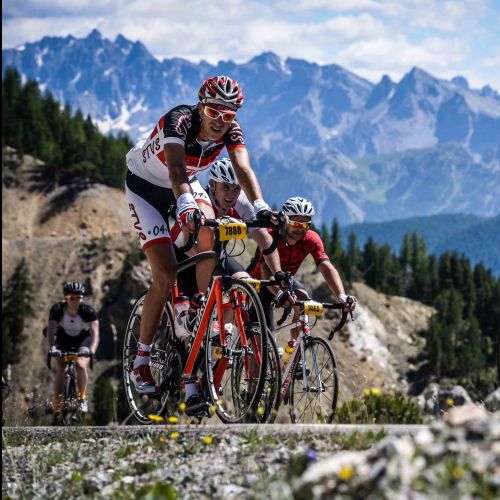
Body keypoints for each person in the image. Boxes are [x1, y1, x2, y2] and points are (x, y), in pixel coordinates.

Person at [124, 76, 282, 410]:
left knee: (212, 228)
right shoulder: (179, 119)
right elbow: (176, 169)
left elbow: (242, 167)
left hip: (186, 182)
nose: (219, 121)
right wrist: (184, 204)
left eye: (228, 115)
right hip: (146, 189)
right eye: (213, 112)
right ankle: (141, 358)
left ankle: (196, 306)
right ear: (200, 106)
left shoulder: (231, 130)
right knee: (165, 274)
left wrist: (261, 206)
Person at [248, 196, 357, 337]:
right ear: (285, 220)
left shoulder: (311, 239)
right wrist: (280, 294)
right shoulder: (270, 235)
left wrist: (341, 296)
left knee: (303, 301)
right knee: (263, 339)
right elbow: (265, 270)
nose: (300, 229)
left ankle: (298, 347)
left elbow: (326, 268)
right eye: (295, 223)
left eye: (305, 225)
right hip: (260, 283)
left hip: (285, 282)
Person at [46, 281, 99, 415]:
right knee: (61, 368)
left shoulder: (88, 311)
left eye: (78, 297)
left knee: (80, 365)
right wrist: (53, 348)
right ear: (65, 297)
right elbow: (51, 331)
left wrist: (91, 351)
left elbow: (95, 334)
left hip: (83, 340)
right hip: (63, 339)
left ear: (82, 298)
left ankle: (82, 398)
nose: (75, 301)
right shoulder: (57, 309)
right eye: (71, 298)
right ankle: (57, 404)